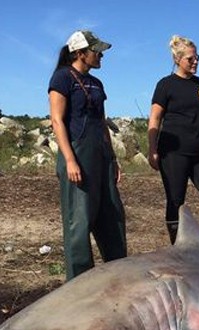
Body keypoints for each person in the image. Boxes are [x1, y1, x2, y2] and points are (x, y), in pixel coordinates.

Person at [48, 30, 127, 281]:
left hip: (101, 155)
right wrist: (70, 159)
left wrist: (112, 159)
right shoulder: (62, 78)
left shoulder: (96, 83)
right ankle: (80, 283)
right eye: (96, 50)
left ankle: (117, 273)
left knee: (112, 213)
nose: (101, 54)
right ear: (80, 53)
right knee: (79, 222)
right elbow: (57, 121)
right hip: (77, 154)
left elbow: (101, 122)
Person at [147, 35, 199, 247]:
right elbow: (155, 118)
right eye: (190, 59)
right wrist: (152, 149)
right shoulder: (166, 85)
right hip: (173, 153)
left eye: (197, 58)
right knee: (176, 201)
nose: (195, 62)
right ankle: (178, 248)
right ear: (177, 59)